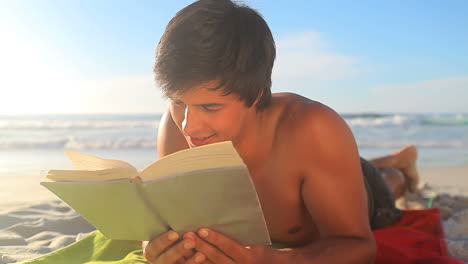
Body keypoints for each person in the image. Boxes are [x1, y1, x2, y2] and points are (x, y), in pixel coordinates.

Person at [142, 0, 420, 263]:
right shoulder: (174, 127)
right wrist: (155, 246)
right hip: (318, 171)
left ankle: (397, 167)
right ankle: (390, 160)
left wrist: (275, 259)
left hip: (347, 176)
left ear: (255, 95)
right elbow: (164, 225)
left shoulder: (313, 130)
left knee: (387, 185)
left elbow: (359, 246)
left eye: (211, 107)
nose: (189, 127)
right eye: (179, 102)